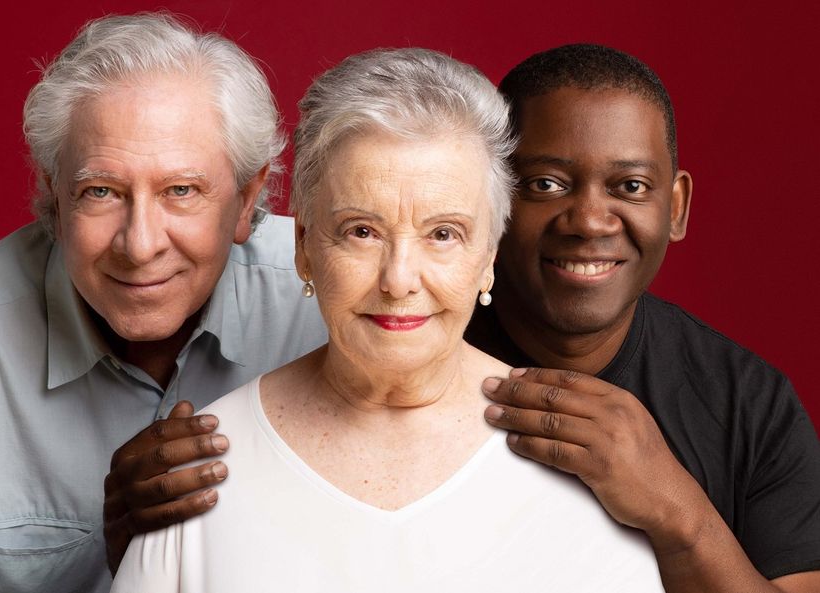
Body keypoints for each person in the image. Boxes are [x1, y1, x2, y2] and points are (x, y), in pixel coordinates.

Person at [111, 47, 666, 593]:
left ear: (488, 258)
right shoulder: (197, 474)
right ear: (304, 247)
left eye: (443, 234)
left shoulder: (583, 466)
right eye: (362, 231)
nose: (398, 280)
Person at [0, 13, 326, 593]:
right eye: (101, 191)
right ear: (55, 196)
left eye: (181, 190)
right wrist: (108, 560)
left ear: (246, 199)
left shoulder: (334, 298)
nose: (140, 245)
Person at [468, 44, 820, 592]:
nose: (589, 221)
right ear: (492, 198)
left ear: (675, 207)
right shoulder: (412, 358)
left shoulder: (752, 404)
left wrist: (679, 514)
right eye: (545, 183)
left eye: (630, 186)